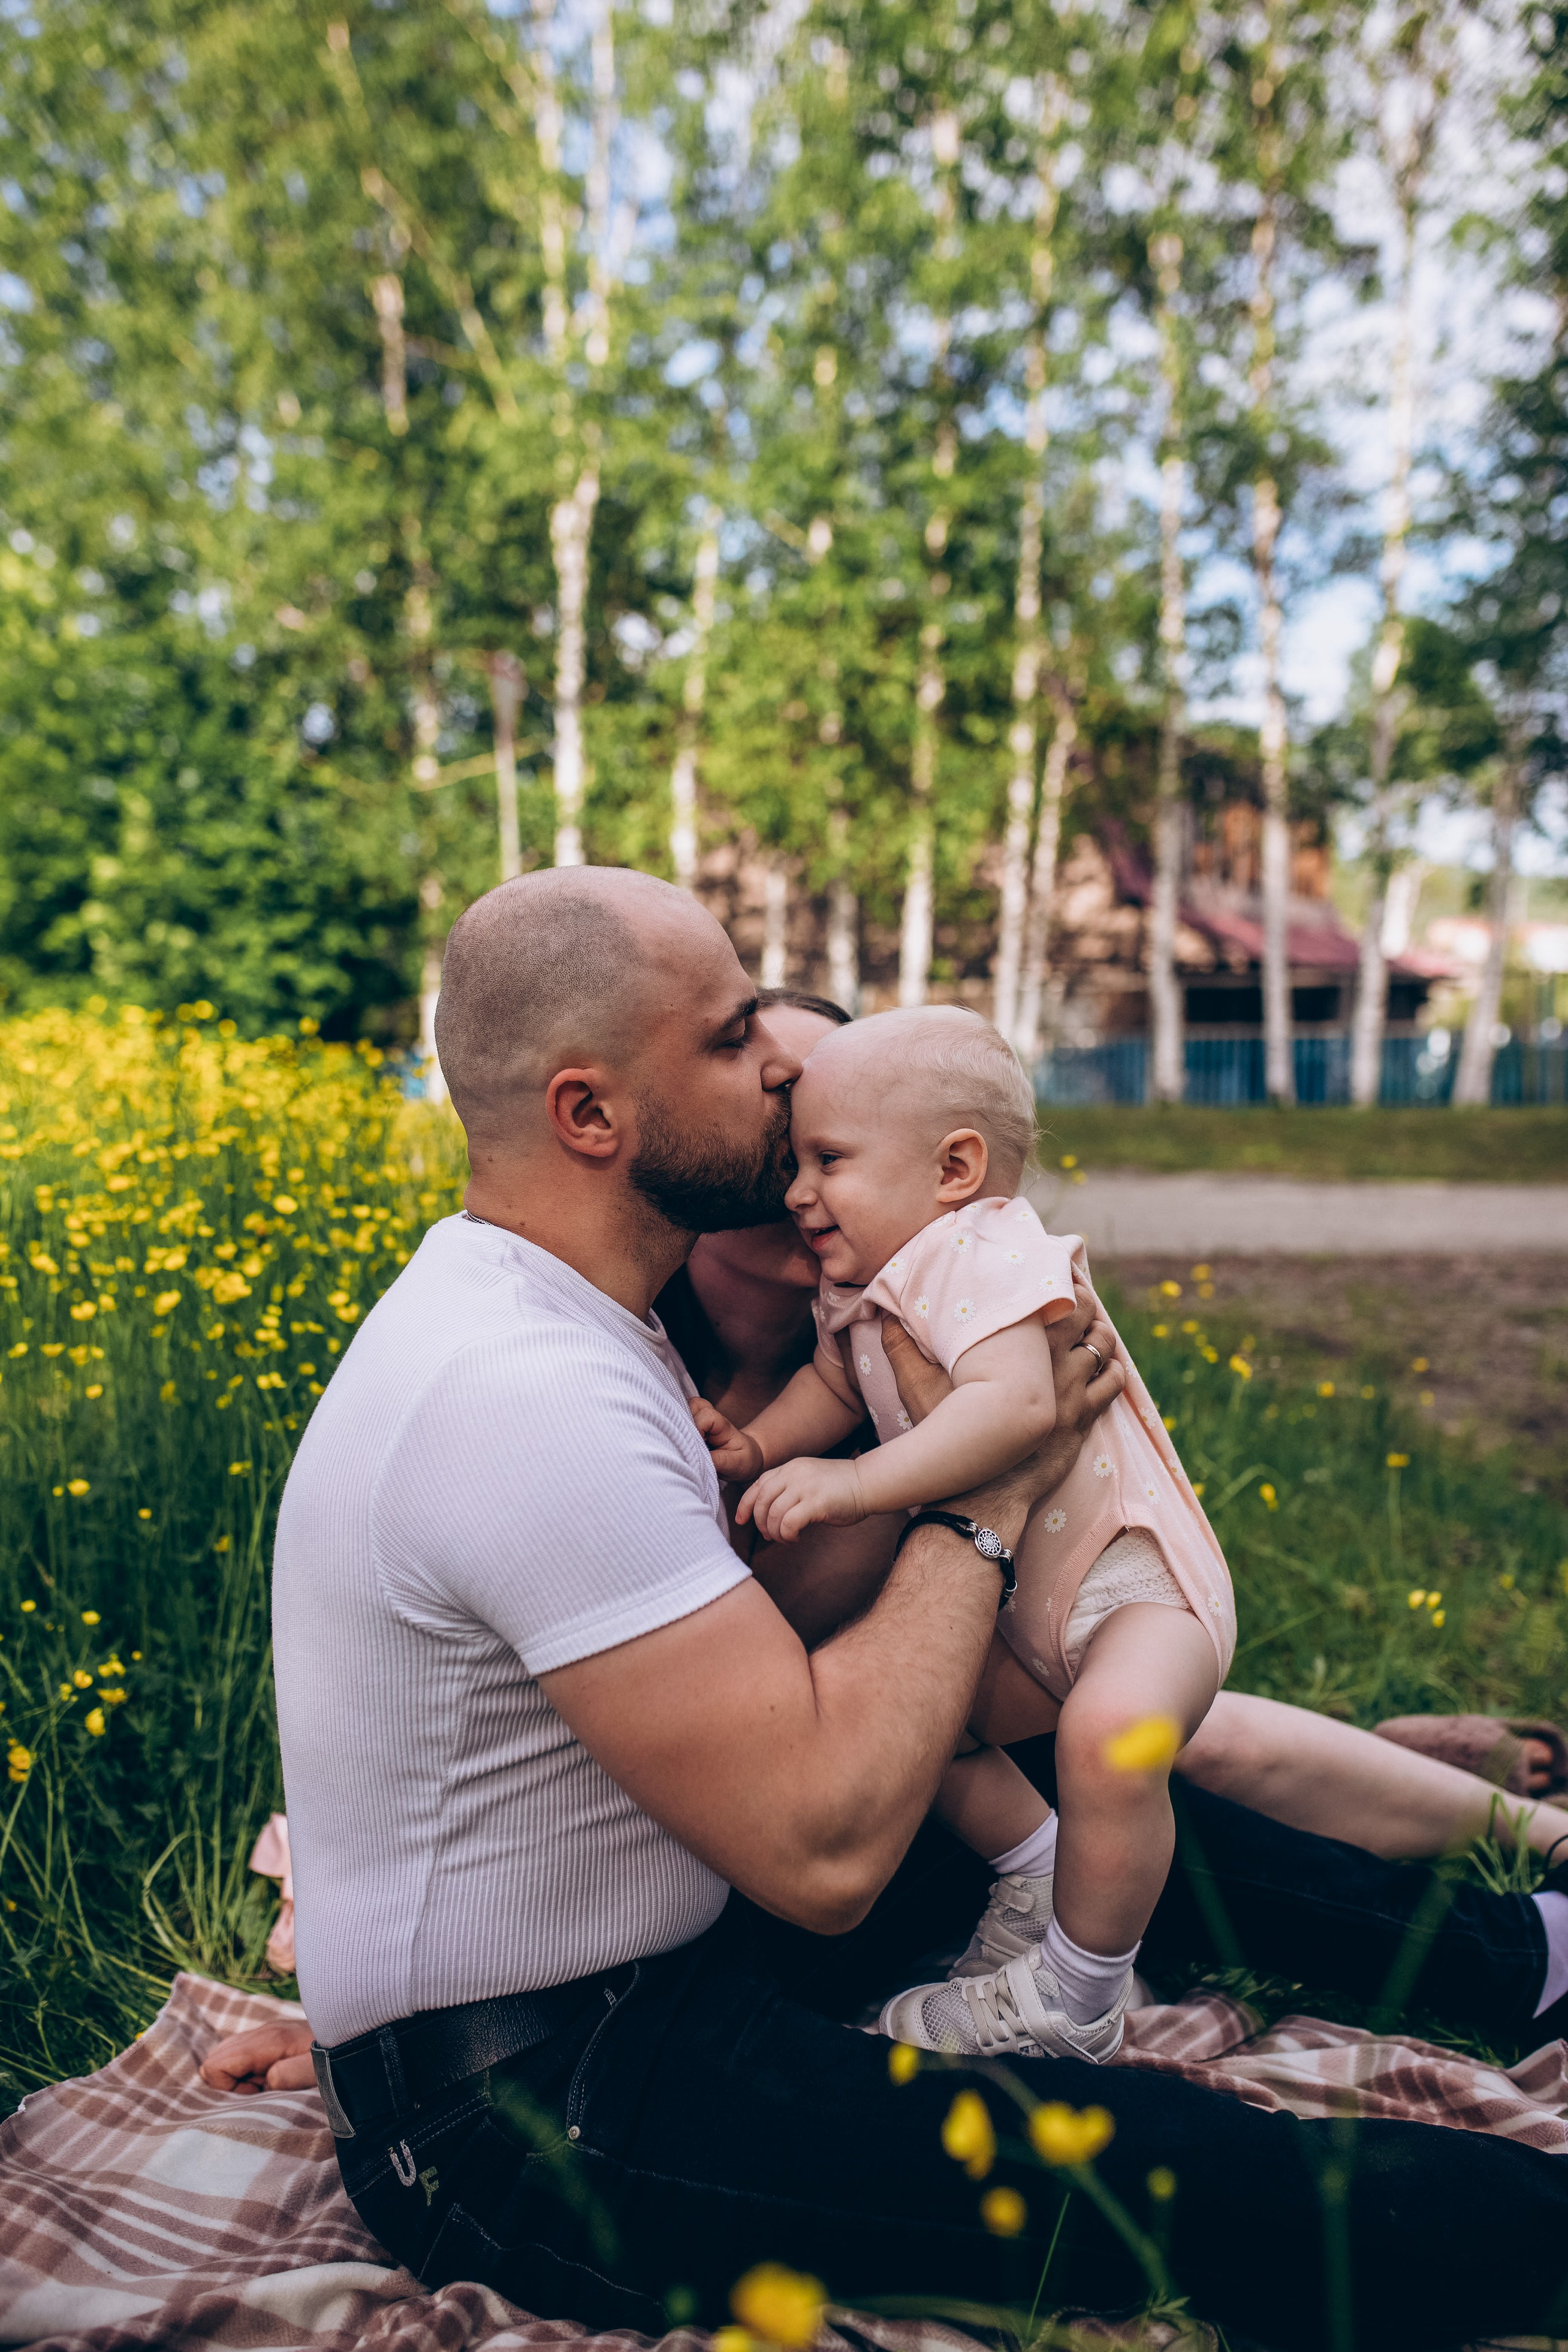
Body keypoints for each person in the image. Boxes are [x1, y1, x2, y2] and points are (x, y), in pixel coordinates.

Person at [248, 875, 1568, 2352]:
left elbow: (773, 1672)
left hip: (665, 1963)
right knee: (1156, 2159)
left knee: (1102, 1801)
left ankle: (1534, 1955)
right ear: (589, 1114)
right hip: (531, 2117)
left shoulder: (560, 1324)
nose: (781, 1066)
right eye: (735, 1032)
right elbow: (821, 1850)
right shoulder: (521, 1391)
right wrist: (984, 1493)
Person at [693, 1004, 1233, 2065]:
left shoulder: (981, 1246)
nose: (796, 1192)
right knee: (898, 1722)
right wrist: (756, 1452)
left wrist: (850, 1484)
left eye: (828, 1160)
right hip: (1040, 1615)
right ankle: (1035, 1871)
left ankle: (1079, 1999)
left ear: (954, 1168)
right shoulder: (865, 1289)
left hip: (1139, 1590)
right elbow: (828, 1384)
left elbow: (1014, 1407)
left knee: (1109, 1742)